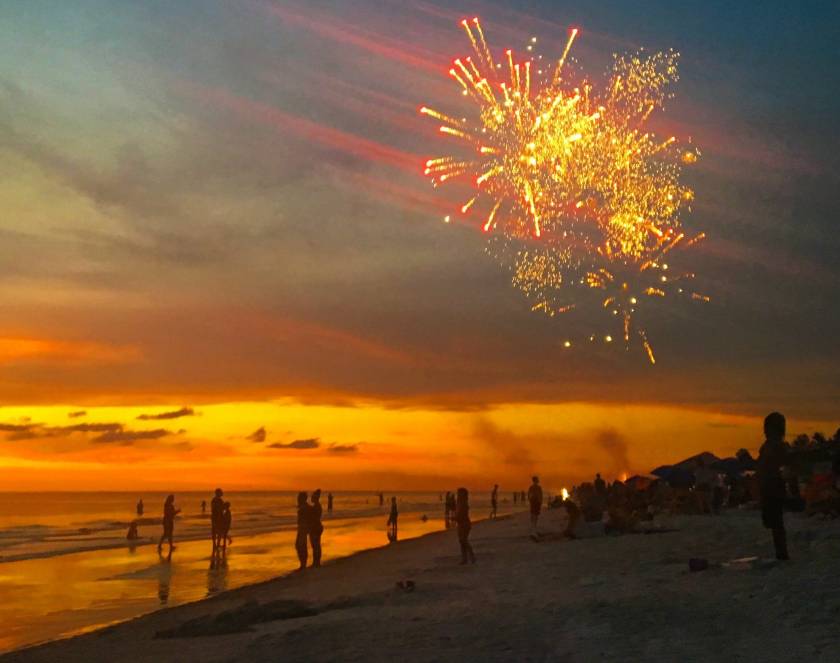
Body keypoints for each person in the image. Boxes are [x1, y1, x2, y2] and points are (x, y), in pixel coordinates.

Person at [758, 412, 790, 560]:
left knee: (775, 521)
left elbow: (782, 466)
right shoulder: (769, 446)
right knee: (773, 521)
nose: (765, 431)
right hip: (769, 486)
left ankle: (782, 553)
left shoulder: (777, 446)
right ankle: (781, 552)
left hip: (773, 486)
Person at [455, 487, 476, 564]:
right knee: (462, 541)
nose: (457, 494)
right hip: (462, 524)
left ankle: (471, 556)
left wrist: (455, 518)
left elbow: (462, 515)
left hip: (464, 524)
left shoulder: (463, 504)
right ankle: (465, 559)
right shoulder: (460, 503)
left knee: (463, 540)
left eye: (459, 493)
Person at [295, 491, 310, 570]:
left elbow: (305, 520)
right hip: (302, 528)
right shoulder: (304, 507)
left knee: (300, 545)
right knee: (300, 545)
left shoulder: (304, 508)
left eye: (299, 497)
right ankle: (303, 564)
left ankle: (303, 564)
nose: (297, 499)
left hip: (303, 528)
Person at [309, 489, 324, 568]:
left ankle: (316, 562)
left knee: (315, 545)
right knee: (316, 545)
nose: (311, 498)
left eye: (312, 497)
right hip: (317, 527)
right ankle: (316, 562)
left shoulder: (316, 507)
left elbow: (314, 518)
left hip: (316, 527)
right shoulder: (317, 506)